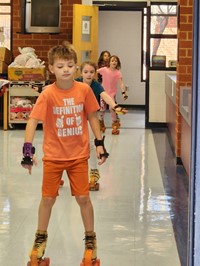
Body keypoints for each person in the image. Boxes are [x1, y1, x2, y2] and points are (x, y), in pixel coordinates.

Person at [21, 42, 108, 265]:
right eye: (60, 66)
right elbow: (32, 121)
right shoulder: (48, 94)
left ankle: (90, 242)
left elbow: (91, 117)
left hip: (78, 156)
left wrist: (99, 143)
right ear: (51, 68)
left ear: (76, 67)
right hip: (53, 157)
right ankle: (39, 242)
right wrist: (27, 151)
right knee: (47, 199)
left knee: (83, 198)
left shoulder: (84, 90)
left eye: (70, 65)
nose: (66, 70)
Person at [75, 60, 127, 191]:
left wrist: (115, 106)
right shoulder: (75, 82)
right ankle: (63, 173)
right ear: (81, 73)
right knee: (72, 146)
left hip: (91, 119)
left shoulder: (96, 85)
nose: (88, 74)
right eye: (85, 72)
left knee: (92, 145)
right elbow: (58, 87)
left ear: (95, 73)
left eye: (91, 72)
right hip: (75, 119)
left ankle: (93, 172)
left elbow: (106, 96)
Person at [97, 55, 128, 134]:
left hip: (112, 94)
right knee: (102, 109)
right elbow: (95, 71)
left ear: (118, 63)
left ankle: (115, 124)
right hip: (103, 93)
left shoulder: (118, 73)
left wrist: (124, 93)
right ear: (109, 62)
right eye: (112, 61)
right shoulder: (104, 70)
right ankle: (101, 123)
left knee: (112, 108)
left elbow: (121, 84)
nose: (114, 62)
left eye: (116, 61)